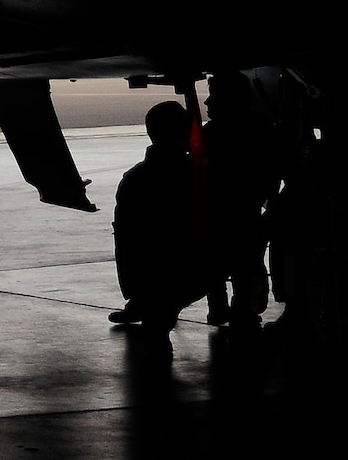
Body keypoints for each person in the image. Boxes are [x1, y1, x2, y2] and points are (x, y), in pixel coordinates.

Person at [111, 99, 208, 332]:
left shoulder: (133, 178)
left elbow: (125, 240)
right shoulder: (191, 175)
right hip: (178, 274)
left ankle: (144, 302)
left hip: (142, 277)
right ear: (178, 133)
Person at [202, 71, 278, 328]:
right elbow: (271, 175)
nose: (207, 103)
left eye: (214, 97)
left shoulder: (209, 135)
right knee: (248, 263)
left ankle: (224, 307)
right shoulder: (261, 129)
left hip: (224, 212)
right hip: (248, 210)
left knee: (221, 262)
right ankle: (244, 306)